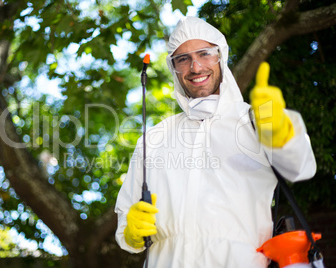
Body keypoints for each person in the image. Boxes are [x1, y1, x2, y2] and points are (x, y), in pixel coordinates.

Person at [114, 16, 316, 267]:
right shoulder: (155, 138)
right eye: (183, 59)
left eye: (204, 54)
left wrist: (282, 133)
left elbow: (302, 168)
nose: (195, 67)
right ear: (174, 68)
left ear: (221, 56)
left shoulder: (257, 121)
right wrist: (131, 233)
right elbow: (125, 218)